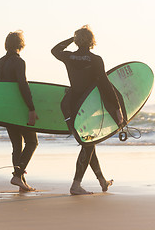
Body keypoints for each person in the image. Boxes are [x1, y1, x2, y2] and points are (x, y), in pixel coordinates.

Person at [51, 25, 123, 195]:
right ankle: (76, 185)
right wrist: (117, 109)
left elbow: (55, 50)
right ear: (92, 41)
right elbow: (105, 85)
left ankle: (102, 181)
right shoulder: (95, 60)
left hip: (70, 105)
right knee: (88, 144)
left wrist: (72, 39)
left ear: (77, 41)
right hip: (87, 106)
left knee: (88, 143)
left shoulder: (69, 56)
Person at [0, 30, 38, 192]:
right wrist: (31, 108)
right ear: (21, 44)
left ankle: (21, 182)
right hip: (20, 109)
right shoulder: (19, 62)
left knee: (16, 146)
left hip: (6, 110)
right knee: (32, 142)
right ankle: (17, 175)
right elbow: (23, 85)